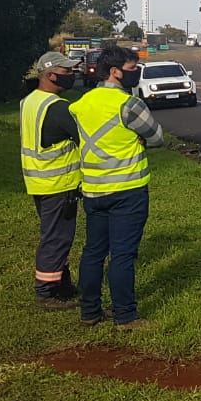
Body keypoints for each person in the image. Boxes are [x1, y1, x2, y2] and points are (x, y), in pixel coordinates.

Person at [69, 45, 163, 329]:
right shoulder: (128, 104)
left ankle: (90, 312)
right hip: (127, 190)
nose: (136, 74)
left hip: (93, 190)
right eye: (133, 69)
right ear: (115, 71)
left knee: (93, 252)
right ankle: (125, 316)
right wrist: (140, 139)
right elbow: (157, 136)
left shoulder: (82, 103)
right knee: (122, 255)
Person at [19, 51, 83, 310]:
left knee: (58, 235)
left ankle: (61, 284)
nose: (71, 76)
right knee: (56, 237)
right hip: (59, 183)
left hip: (38, 181)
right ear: (50, 74)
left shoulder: (29, 101)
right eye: (67, 72)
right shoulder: (57, 108)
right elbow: (84, 136)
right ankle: (46, 292)